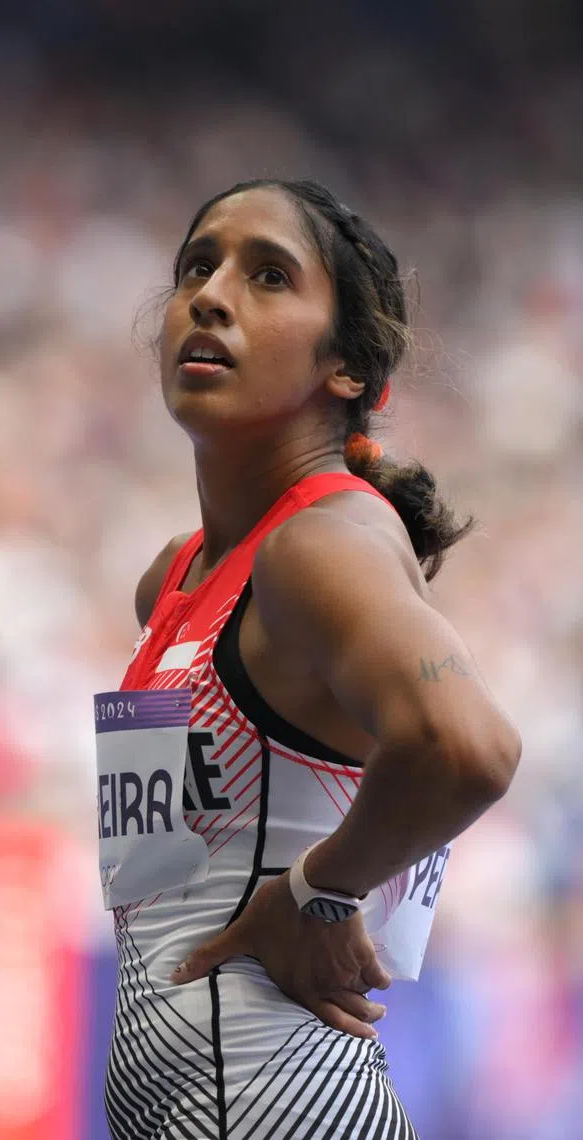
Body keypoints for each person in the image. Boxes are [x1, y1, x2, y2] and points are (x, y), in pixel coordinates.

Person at [96, 178, 521, 1140]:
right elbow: (173, 878)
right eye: (196, 266)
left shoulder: (318, 544)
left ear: (342, 369)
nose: (210, 294)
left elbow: (471, 747)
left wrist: (315, 893)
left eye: (269, 276)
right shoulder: (177, 577)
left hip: (282, 1107)